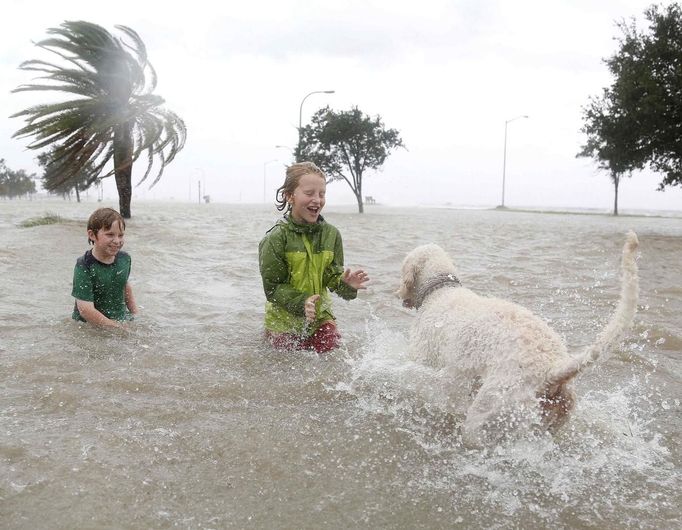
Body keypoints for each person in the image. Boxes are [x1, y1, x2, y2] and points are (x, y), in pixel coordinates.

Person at [259, 161, 369, 353]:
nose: (317, 200)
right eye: (309, 193)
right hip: (283, 324)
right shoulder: (275, 238)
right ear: (289, 196)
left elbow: (331, 277)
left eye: (322, 194)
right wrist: (302, 302)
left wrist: (346, 285)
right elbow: (273, 288)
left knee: (333, 360)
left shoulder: (332, 234)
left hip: (320, 318)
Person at [71, 207, 138, 329]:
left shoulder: (124, 259)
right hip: (89, 326)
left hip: (119, 320)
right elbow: (85, 310)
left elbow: (125, 286)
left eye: (121, 235)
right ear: (92, 235)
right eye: (110, 235)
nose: (117, 241)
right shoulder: (84, 266)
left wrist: (135, 314)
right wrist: (116, 327)